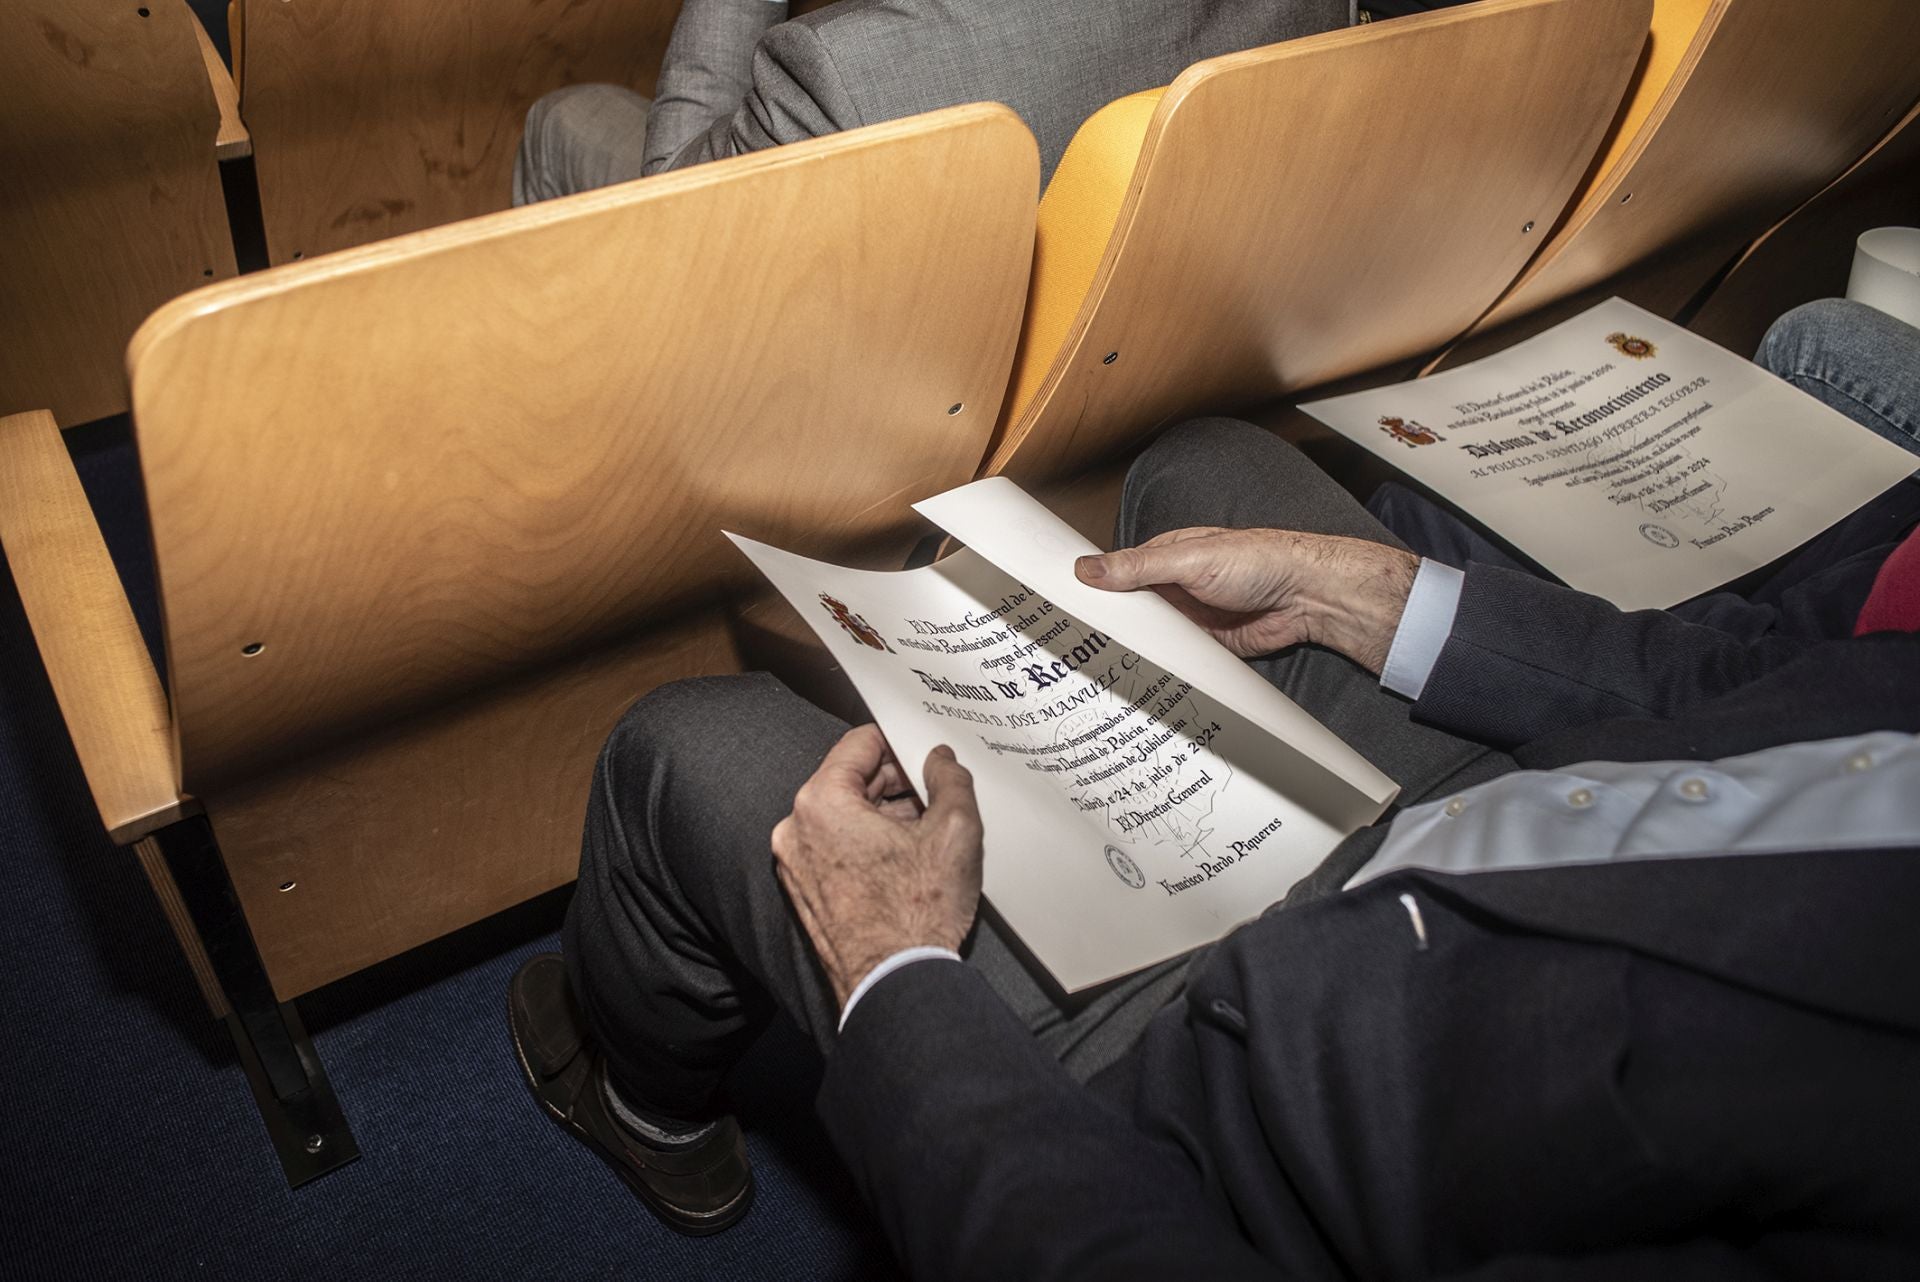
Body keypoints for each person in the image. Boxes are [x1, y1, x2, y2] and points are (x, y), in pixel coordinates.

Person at [510, 0, 1349, 205]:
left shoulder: (839, 67)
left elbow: (679, 217)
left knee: (567, 117)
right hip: (1159, 365)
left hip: (881, 413)